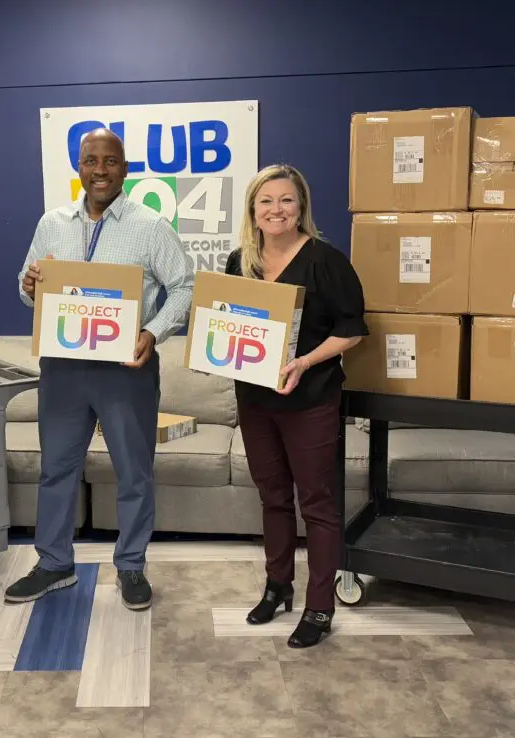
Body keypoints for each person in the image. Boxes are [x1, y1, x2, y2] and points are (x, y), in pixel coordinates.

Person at [7, 128, 194, 610]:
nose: (100, 170)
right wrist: (29, 284)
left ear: (125, 169)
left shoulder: (151, 226)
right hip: (64, 369)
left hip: (125, 370)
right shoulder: (51, 223)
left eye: (110, 161)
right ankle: (54, 563)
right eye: (91, 160)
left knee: (133, 472)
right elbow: (28, 287)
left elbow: (184, 288)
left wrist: (153, 332)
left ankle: (130, 566)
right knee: (56, 469)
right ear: (79, 167)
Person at [225, 164, 368, 648]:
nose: (276, 210)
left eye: (286, 200)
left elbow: (352, 330)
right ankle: (277, 586)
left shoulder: (326, 260)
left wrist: (304, 361)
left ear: (301, 206)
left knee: (318, 504)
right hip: (255, 399)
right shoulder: (237, 262)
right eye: (266, 201)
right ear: (253, 209)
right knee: (272, 498)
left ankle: (321, 607)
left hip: (310, 399)